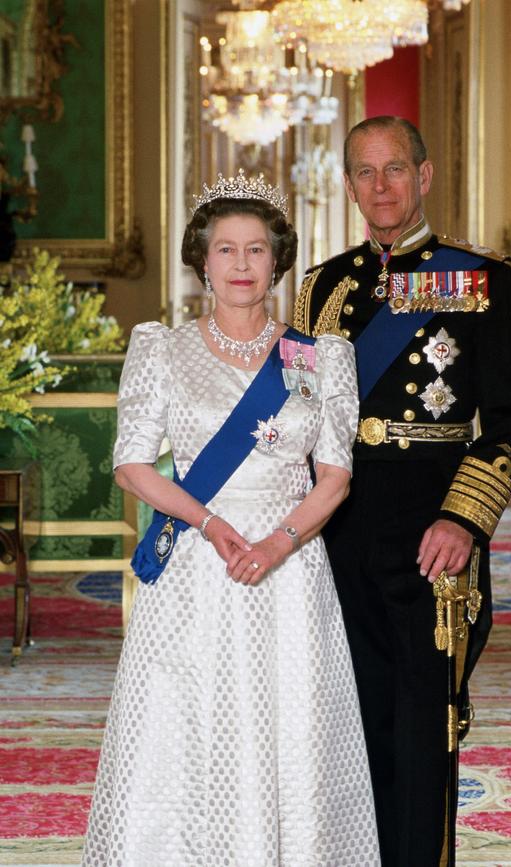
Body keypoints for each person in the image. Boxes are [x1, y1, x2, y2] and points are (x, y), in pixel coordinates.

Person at [82, 170, 380, 866]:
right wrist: (212, 526)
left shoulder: (320, 356)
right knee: (190, 723)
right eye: (226, 249)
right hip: (199, 564)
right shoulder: (161, 347)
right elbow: (131, 464)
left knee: (291, 724)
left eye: (255, 249)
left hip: (290, 562)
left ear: (277, 260)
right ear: (202, 259)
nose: (242, 264)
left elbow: (335, 475)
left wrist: (278, 542)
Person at [294, 116, 511, 866]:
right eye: (365, 172)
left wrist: (464, 520)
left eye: (395, 169)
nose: (381, 186)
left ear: (423, 176)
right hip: (341, 526)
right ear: (350, 184)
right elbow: (302, 419)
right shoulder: (321, 288)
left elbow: (505, 426)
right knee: (353, 721)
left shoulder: (480, 279)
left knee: (424, 726)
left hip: (433, 529)